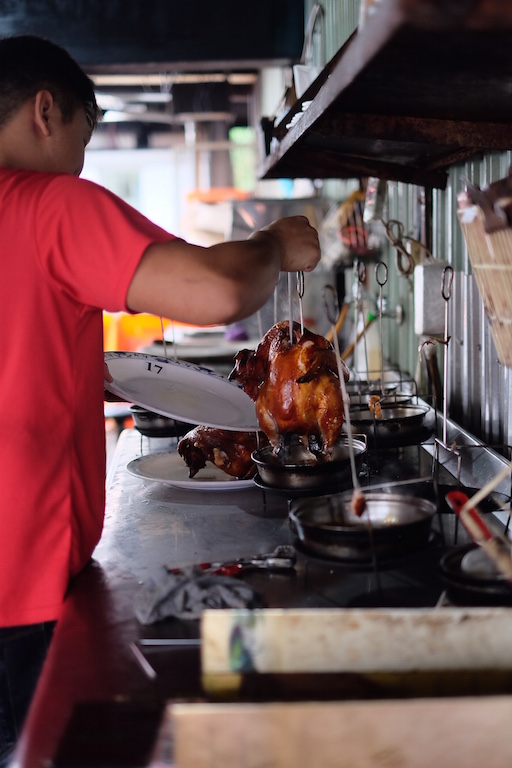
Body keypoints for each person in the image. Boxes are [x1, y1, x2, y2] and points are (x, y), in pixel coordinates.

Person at [0, 34, 320, 765]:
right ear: (46, 111)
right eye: (81, 140)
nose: (79, 165)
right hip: (16, 591)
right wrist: (273, 242)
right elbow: (218, 289)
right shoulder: (45, 206)